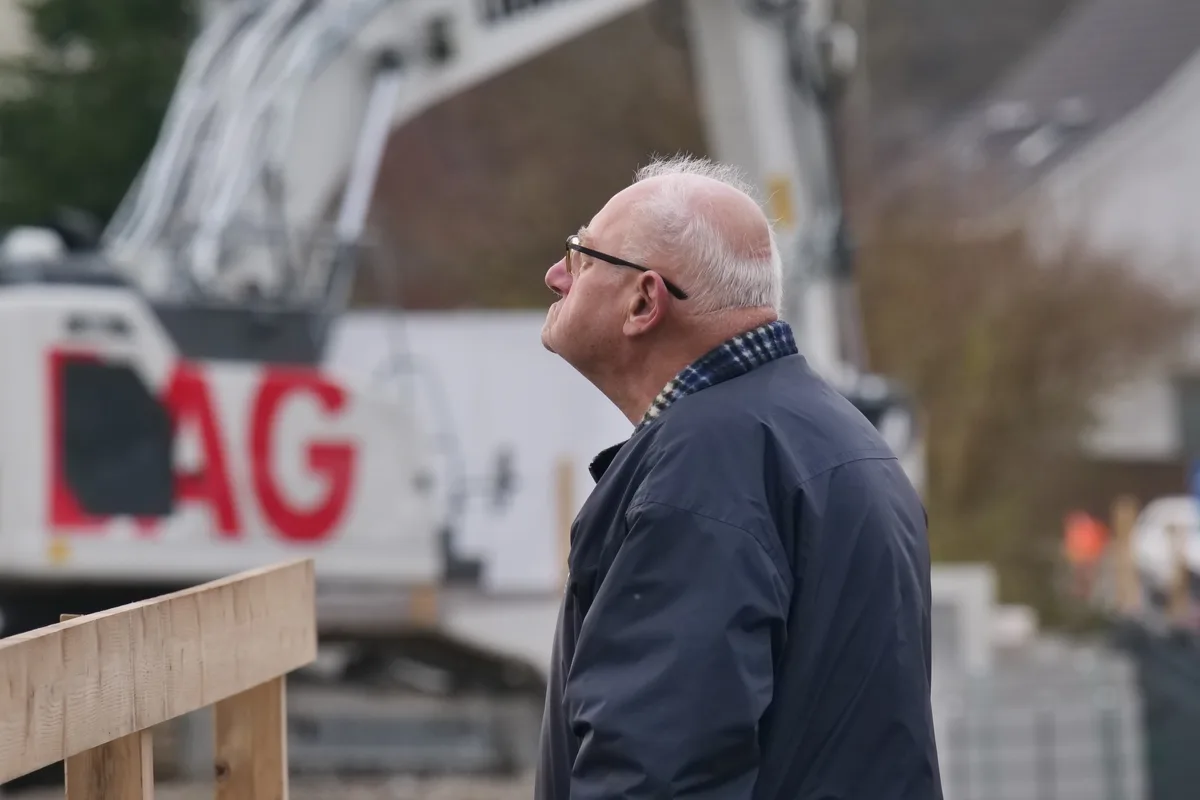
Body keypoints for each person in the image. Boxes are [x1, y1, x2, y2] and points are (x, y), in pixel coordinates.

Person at [535, 154, 943, 800]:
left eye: (583, 256)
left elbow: (657, 772)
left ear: (644, 301)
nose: (556, 275)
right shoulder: (837, 438)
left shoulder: (706, 472)